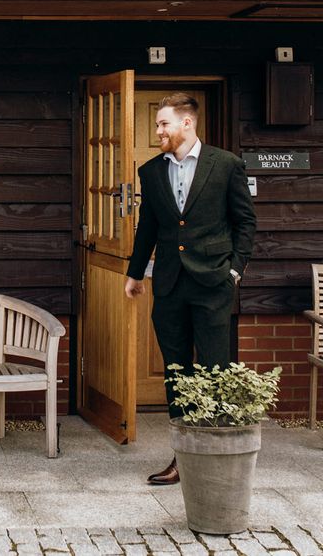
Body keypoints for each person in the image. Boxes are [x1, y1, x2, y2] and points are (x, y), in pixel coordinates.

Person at [124, 94, 256, 486]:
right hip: (168, 284)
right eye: (158, 125)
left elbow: (245, 223)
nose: (158, 131)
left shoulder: (226, 164)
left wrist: (234, 271)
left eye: (163, 124)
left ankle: (214, 453)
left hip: (213, 281)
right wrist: (135, 274)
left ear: (187, 124)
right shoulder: (151, 171)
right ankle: (183, 457)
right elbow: (148, 225)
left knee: (214, 367)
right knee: (176, 371)